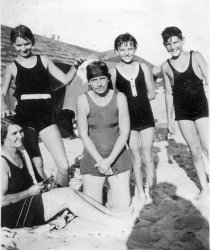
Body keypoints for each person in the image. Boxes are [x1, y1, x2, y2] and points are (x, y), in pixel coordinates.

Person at [1, 117, 135, 229]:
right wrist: (29, 192)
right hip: (12, 216)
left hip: (26, 202)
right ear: (3, 137)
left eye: (21, 131)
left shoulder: (19, 153)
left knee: (71, 191)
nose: (20, 136)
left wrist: (42, 188)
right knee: (66, 195)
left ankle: (112, 215)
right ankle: (113, 222)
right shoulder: (2, 162)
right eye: (14, 134)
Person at [1, 25, 84, 187]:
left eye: (26, 44)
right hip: (25, 119)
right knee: (37, 164)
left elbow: (65, 79)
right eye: (18, 45)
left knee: (64, 166)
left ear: (32, 42)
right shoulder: (11, 67)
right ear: (12, 45)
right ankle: (48, 192)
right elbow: (2, 93)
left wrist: (75, 66)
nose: (23, 48)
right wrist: (3, 106)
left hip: (46, 117)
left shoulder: (44, 59)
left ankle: (62, 193)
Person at [77, 61, 133, 211]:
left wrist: (109, 160)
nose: (99, 84)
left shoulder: (120, 97)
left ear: (108, 78)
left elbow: (125, 132)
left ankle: (111, 191)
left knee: (121, 207)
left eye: (102, 78)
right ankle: (102, 188)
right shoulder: (82, 100)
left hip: (118, 156)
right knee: (93, 207)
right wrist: (101, 161)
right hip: (93, 158)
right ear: (89, 82)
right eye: (94, 80)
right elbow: (83, 135)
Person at [161, 26, 209, 198]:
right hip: (183, 112)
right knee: (195, 151)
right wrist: (169, 120)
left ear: (182, 41)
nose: (172, 46)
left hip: (201, 108)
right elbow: (168, 93)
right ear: (164, 45)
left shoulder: (195, 56)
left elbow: (209, 78)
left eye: (175, 42)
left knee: (208, 147)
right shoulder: (165, 66)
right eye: (168, 44)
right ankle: (204, 188)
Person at [110, 33, 156, 204]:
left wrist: (137, 100)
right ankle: (140, 191)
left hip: (146, 118)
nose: (127, 52)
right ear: (117, 51)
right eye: (122, 49)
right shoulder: (113, 72)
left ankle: (152, 190)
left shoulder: (143, 67)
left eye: (130, 48)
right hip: (128, 122)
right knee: (135, 158)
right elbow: (113, 98)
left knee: (148, 155)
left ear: (135, 49)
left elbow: (152, 94)